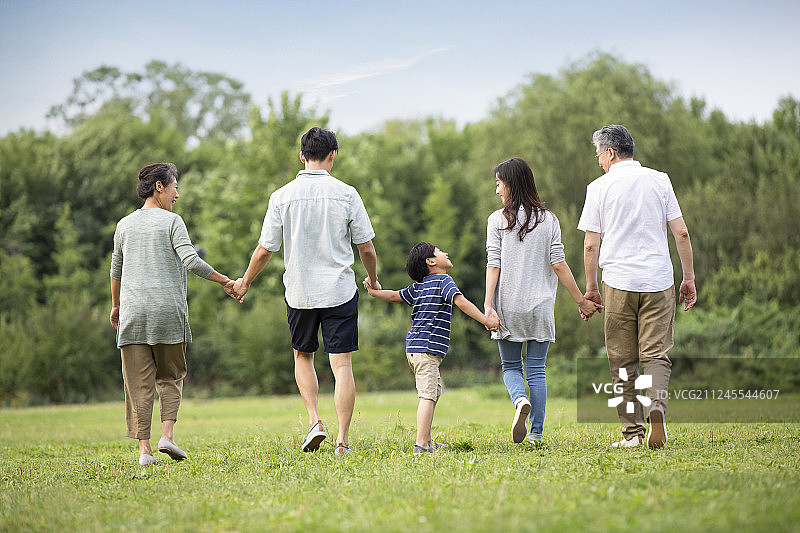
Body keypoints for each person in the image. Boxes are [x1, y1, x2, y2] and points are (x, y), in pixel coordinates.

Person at [233, 127, 379, 456]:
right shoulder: (347, 193)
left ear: (302, 156)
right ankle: (342, 441)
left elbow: (264, 250)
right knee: (341, 366)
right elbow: (366, 249)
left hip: (299, 291)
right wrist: (373, 279)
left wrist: (244, 282)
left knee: (303, 355)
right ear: (332, 156)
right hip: (339, 290)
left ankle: (315, 421)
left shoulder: (281, 196)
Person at [110, 162, 238, 466]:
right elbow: (191, 261)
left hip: (133, 315)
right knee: (170, 376)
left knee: (138, 385)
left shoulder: (124, 225)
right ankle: (167, 434)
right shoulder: (172, 222)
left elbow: (116, 268)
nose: (177, 194)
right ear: (159, 187)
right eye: (175, 186)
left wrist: (115, 305)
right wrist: (225, 281)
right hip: (167, 313)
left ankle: (145, 451)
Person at [578, 124, 696, 449]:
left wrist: (591, 288)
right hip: (659, 280)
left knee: (622, 360)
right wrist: (688, 279)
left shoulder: (598, 187)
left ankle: (632, 434)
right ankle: (656, 405)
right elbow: (681, 233)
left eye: (599, 154)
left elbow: (591, 245)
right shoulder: (660, 180)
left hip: (618, 281)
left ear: (611, 153)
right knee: (656, 354)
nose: (598, 161)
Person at [483, 158, 601, 445]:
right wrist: (581, 301)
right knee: (536, 370)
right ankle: (536, 434)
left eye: (499, 183)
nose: (497, 190)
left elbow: (493, 265)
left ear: (510, 184)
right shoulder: (549, 220)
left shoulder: (497, 220)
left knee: (511, 368)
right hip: (540, 307)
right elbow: (559, 264)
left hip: (507, 306)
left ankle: (519, 400)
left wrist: (488, 305)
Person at [364, 242, 500, 454]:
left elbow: (394, 295)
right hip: (425, 348)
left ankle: (426, 439)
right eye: (440, 251)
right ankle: (421, 445)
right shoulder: (444, 281)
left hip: (417, 348)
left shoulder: (419, 286)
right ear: (431, 261)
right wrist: (485, 320)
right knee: (427, 396)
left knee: (433, 393)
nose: (445, 252)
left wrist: (374, 292)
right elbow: (462, 303)